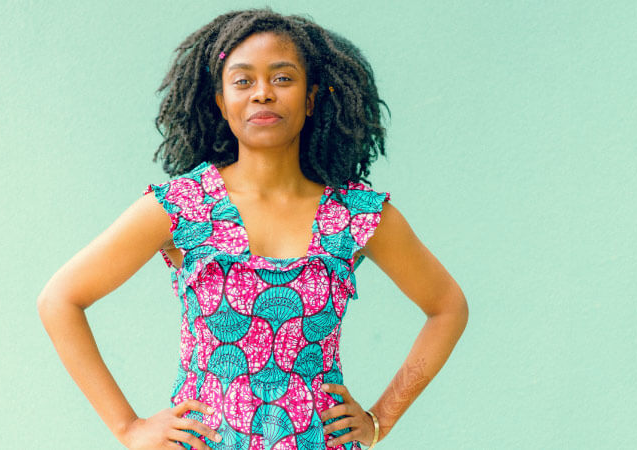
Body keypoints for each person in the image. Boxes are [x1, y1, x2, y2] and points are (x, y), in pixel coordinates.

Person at [38, 8, 468, 450]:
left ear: (312, 97)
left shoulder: (356, 214)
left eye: (282, 78)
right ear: (222, 101)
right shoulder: (181, 206)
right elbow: (60, 300)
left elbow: (448, 307)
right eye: (243, 81)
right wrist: (128, 428)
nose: (263, 93)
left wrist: (381, 419)